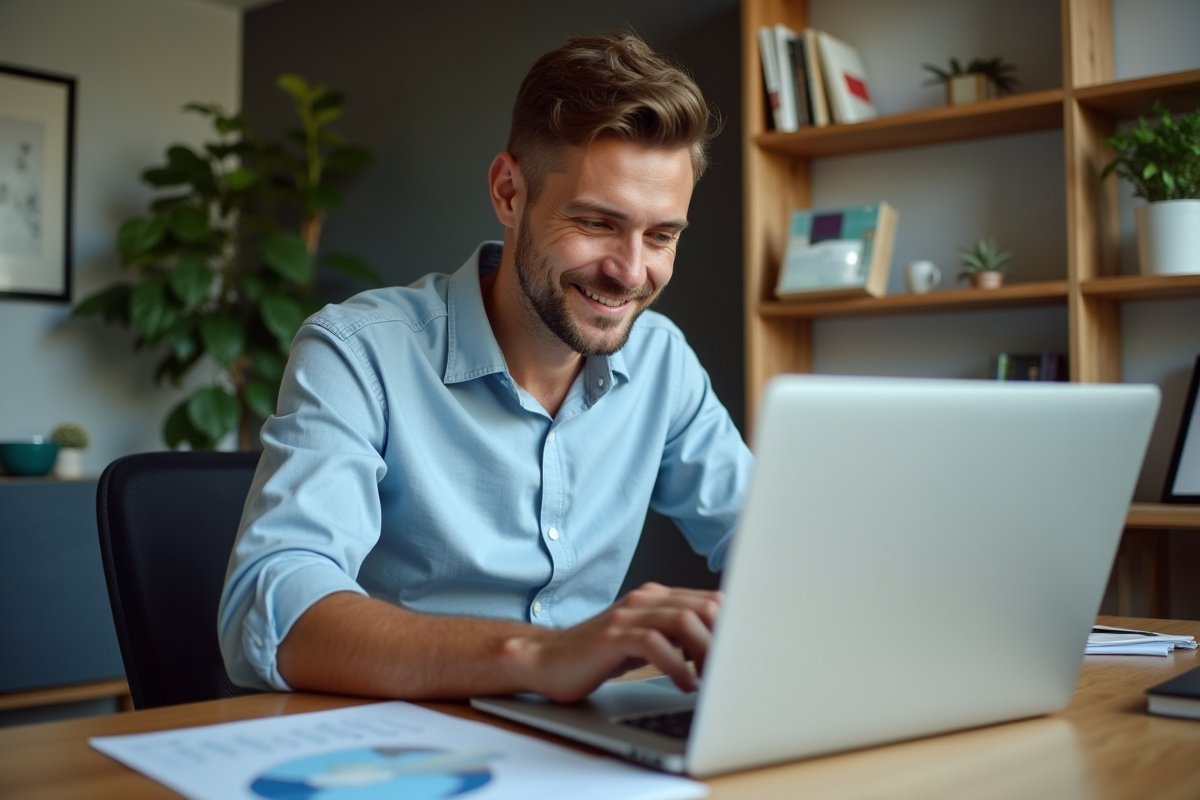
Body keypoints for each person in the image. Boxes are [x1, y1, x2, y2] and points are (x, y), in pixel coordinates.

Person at [218, 30, 753, 705]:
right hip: (402, 747)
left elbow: (767, 543)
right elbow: (272, 606)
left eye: (662, 235)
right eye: (595, 223)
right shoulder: (357, 352)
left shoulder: (661, 360)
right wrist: (540, 655)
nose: (631, 271)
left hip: (579, 746)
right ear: (508, 192)